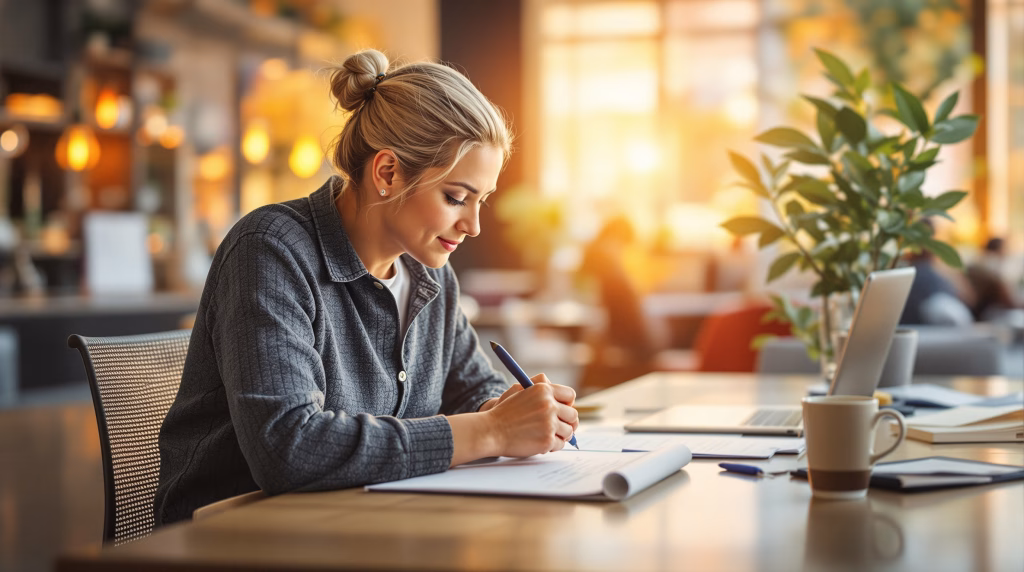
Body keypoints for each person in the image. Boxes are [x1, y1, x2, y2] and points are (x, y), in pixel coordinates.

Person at [154, 50, 579, 525]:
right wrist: (493, 433)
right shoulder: (270, 250)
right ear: (387, 172)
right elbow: (288, 447)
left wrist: (509, 410)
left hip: (364, 525)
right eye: (456, 197)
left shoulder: (429, 273)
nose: (474, 225)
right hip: (238, 537)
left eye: (482, 200)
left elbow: (472, 387)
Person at [965, 237, 1021, 320]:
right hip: (988, 313)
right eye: (1005, 249)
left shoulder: (977, 262)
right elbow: (1008, 299)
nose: (1007, 253)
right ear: (1000, 249)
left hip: (975, 312)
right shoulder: (991, 265)